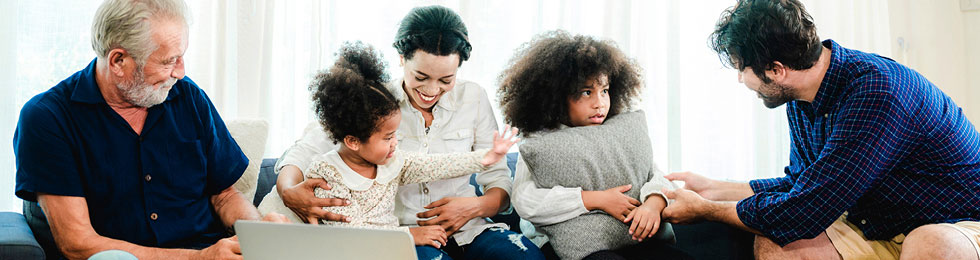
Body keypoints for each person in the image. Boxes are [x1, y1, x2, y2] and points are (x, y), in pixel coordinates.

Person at [661, 0, 980, 259]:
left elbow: (805, 210)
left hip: (956, 223)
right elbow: (802, 183)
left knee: (930, 243)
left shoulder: (877, 93)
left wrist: (707, 210)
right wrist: (712, 187)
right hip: (878, 224)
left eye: (742, 71)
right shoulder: (801, 96)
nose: (742, 81)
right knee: (776, 244)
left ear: (776, 70)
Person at [257, 5, 543, 260]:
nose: (431, 91)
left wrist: (475, 206)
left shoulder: (475, 98)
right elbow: (305, 151)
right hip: (404, 234)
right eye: (421, 77)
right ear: (401, 58)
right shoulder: (374, 103)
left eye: (446, 79)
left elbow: (498, 181)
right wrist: (289, 191)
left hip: (472, 229)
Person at [13, 0, 286, 259]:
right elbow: (78, 243)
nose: (180, 71)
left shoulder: (188, 97)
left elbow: (225, 195)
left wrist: (259, 233)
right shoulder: (47, 118)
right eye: (169, 61)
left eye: (181, 57)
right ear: (118, 61)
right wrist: (199, 258)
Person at [499, 31, 691, 260]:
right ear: (556, 97)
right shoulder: (540, 144)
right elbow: (525, 201)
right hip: (565, 247)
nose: (599, 103)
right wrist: (596, 200)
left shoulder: (618, 132)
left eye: (605, 91)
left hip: (631, 238)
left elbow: (655, 174)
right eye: (586, 92)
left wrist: (653, 203)